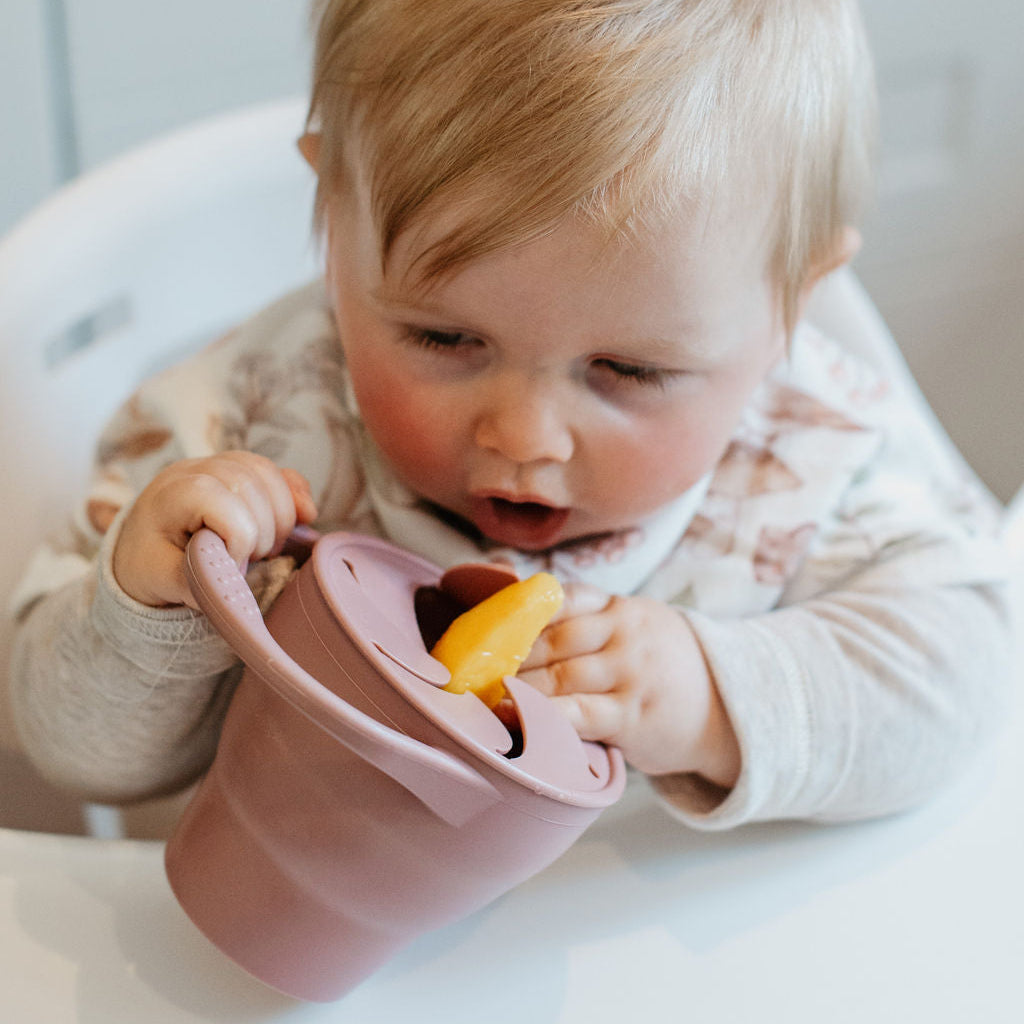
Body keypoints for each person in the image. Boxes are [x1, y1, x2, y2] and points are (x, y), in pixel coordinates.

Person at [9, 0, 1011, 827]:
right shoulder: (245, 426)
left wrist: (715, 696)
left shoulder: (807, 453)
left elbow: (960, 687)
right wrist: (153, 608)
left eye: (625, 368)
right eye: (444, 340)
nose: (525, 436)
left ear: (787, 303)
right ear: (335, 224)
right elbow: (70, 754)